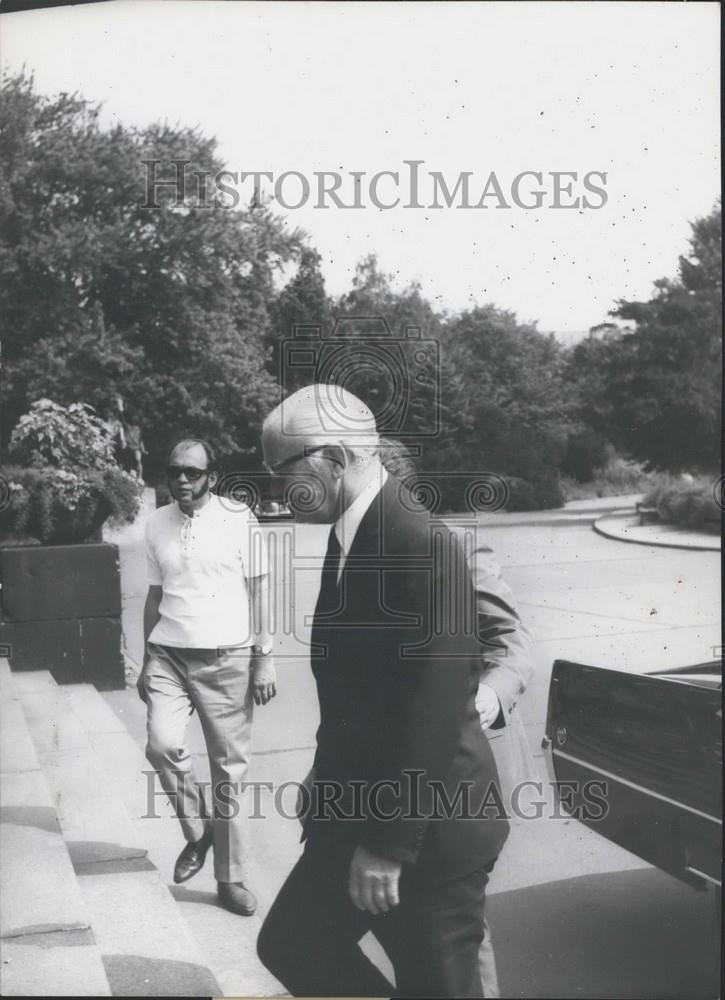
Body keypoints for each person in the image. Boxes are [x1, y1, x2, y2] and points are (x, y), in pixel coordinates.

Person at [257, 385, 510, 998]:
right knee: (293, 942)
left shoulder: (421, 543)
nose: (273, 489)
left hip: (428, 835)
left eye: (281, 471)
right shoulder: (350, 535)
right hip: (361, 813)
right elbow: (355, 694)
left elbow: (435, 706)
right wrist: (327, 775)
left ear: (336, 459)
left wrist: (389, 846)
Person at [378, 437, 538, 998]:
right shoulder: (362, 560)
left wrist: (489, 695)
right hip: (401, 766)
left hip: (462, 763)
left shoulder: (458, 548)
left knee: (457, 921)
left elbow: (512, 644)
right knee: (423, 918)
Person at [137, 437, 277, 916]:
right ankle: (200, 832)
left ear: (211, 477)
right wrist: (144, 658)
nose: (181, 480)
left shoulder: (241, 520)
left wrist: (265, 656)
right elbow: (154, 596)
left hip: (228, 658)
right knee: (161, 744)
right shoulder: (155, 523)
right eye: (174, 470)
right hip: (168, 656)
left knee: (229, 774)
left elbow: (261, 591)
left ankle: (230, 879)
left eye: (191, 473)